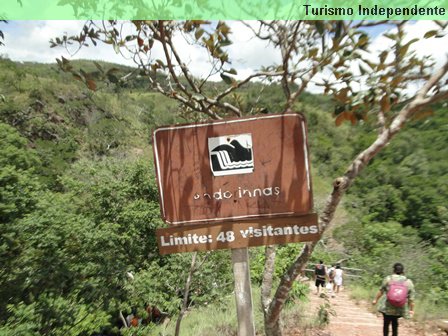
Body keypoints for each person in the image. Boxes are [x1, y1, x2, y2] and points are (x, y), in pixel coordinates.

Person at [372, 262, 415, 336]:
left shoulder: (388, 279)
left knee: (386, 323)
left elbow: (381, 291)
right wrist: (411, 310)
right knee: (395, 323)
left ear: (393, 270)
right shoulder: (408, 282)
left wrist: (375, 300)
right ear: (403, 271)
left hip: (387, 307)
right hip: (400, 308)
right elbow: (411, 299)